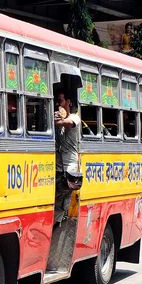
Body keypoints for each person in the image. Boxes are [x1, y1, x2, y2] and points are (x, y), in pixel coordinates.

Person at [54, 92, 82, 224]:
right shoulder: (57, 120)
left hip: (70, 167)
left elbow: (69, 123)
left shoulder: (74, 117)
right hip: (59, 167)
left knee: (65, 200)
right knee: (58, 200)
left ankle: (62, 222)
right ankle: (58, 222)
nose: (58, 104)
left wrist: (55, 120)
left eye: (61, 101)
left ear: (68, 102)